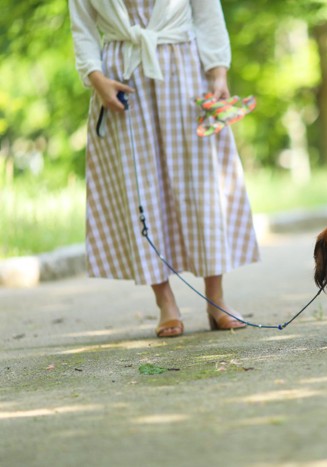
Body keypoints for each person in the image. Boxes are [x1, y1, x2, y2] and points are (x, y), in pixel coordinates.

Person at [68, 0, 260, 337]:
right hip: (122, 79)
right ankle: (165, 302)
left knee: (201, 183)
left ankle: (216, 299)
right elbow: (82, 27)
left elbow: (207, 12)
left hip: (185, 71)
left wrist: (217, 71)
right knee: (139, 185)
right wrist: (96, 78)